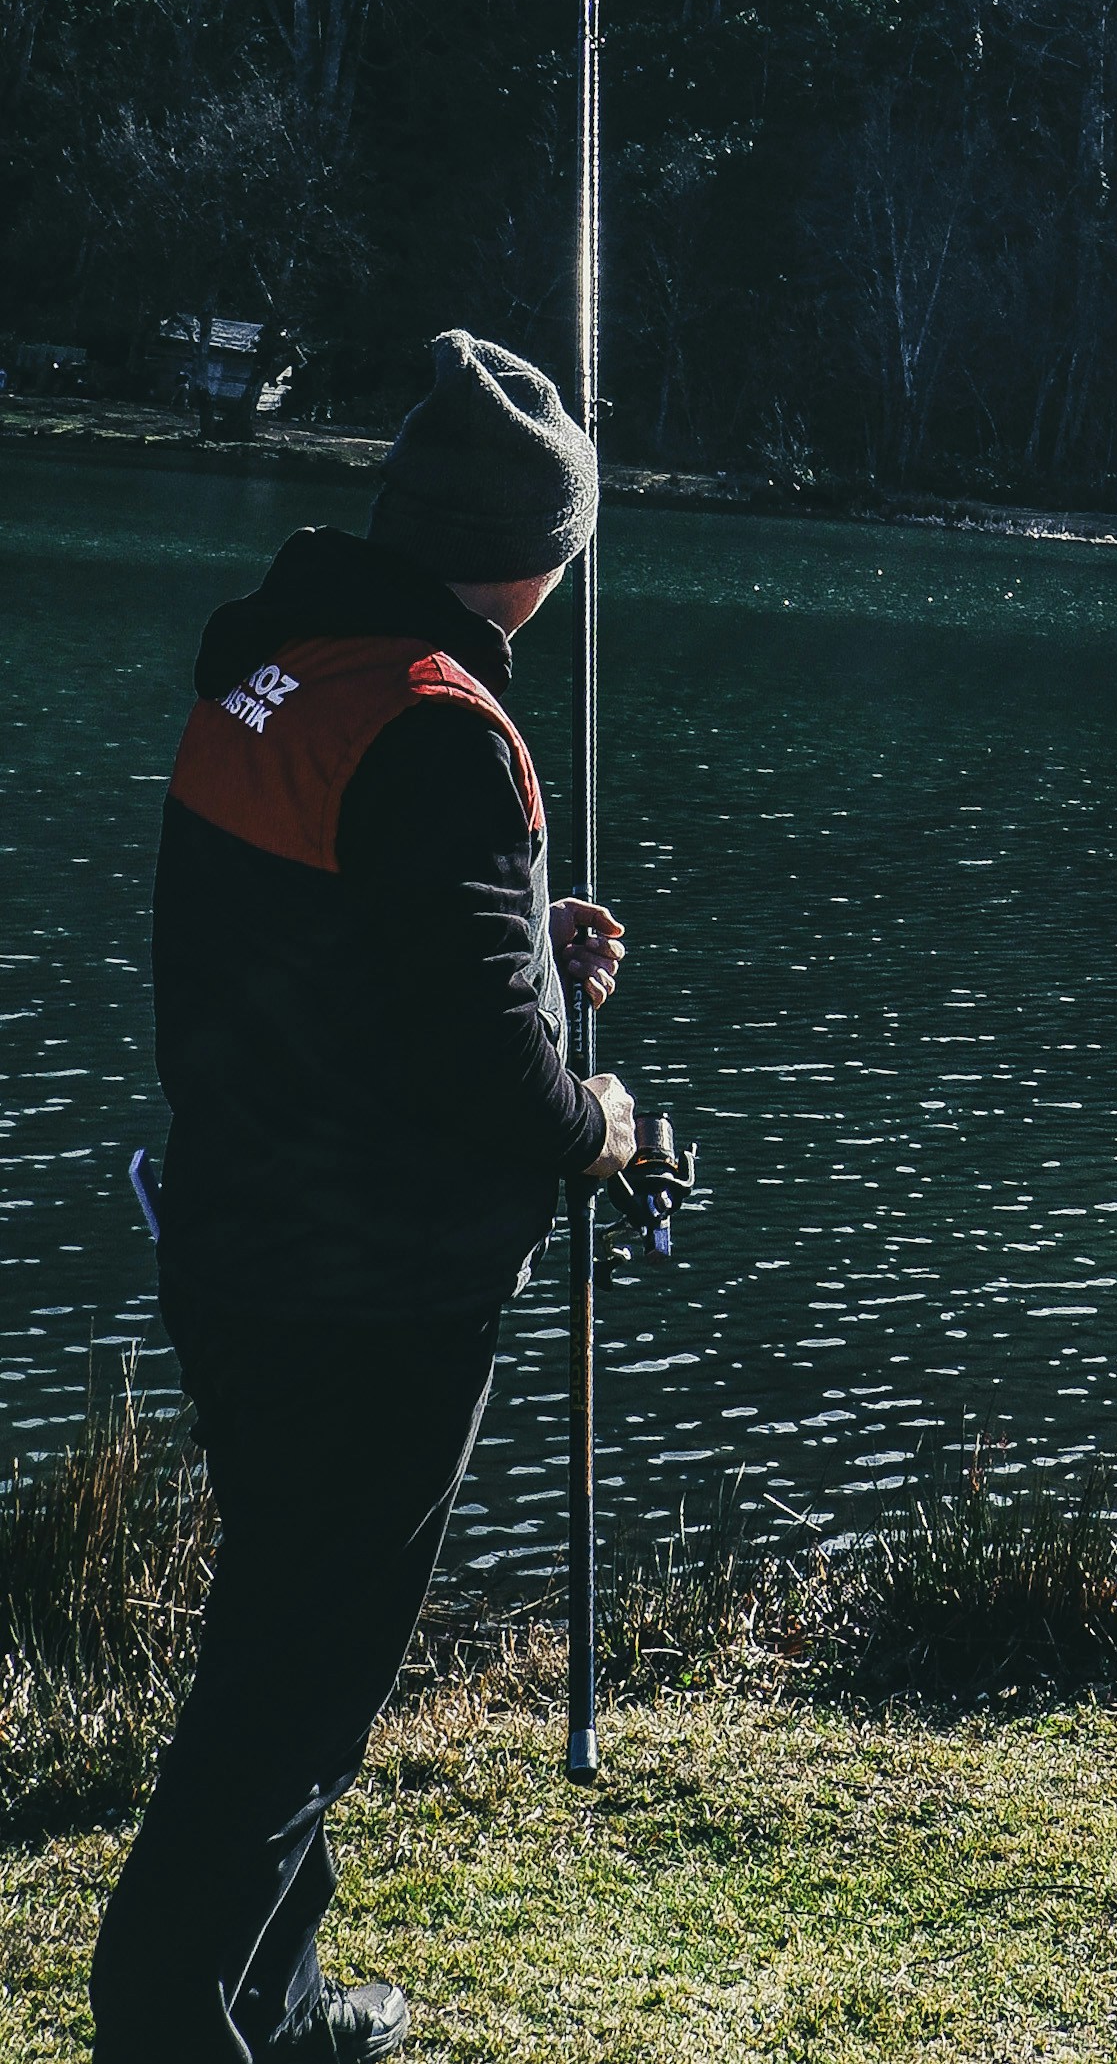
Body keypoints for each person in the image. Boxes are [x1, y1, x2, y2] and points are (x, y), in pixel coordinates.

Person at [91, 331, 637, 2064]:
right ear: (539, 557)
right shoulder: (434, 725)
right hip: (370, 1298)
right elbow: (495, 1087)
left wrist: (526, 950)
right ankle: (168, 2025)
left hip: (242, 1243)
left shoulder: (278, 667)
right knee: (296, 1695)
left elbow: (326, 960)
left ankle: (280, 1997)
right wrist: (604, 1116)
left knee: (284, 1626)